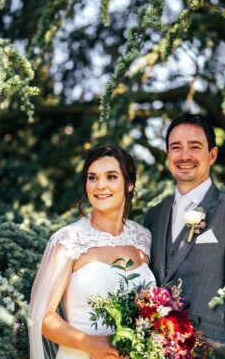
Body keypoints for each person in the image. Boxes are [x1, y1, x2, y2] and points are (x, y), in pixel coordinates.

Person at [144, 114, 225, 359]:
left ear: (212, 155)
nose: (184, 156)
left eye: (195, 147)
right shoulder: (154, 216)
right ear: (168, 156)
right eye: (176, 148)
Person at [29, 145, 154, 359]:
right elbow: (42, 316)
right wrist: (89, 344)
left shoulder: (143, 239)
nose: (100, 186)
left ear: (130, 184)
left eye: (111, 177)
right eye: (92, 177)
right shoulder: (69, 239)